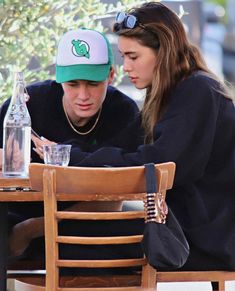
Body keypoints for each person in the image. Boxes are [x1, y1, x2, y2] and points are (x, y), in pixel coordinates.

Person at [66, 2, 235, 271]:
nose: (126, 68)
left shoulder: (197, 90)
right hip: (182, 225)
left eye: (133, 57)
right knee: (71, 236)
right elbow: (131, 146)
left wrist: (76, 158)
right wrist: (69, 153)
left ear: (163, 52)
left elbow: (160, 164)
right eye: (123, 58)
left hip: (203, 237)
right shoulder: (169, 93)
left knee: (73, 241)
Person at [0, 28, 139, 258]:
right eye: (72, 84)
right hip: (14, 220)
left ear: (111, 75)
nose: (83, 95)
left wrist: (30, 229)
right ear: (59, 77)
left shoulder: (123, 112)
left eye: (93, 83)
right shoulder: (27, 105)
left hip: (86, 229)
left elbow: (113, 201)